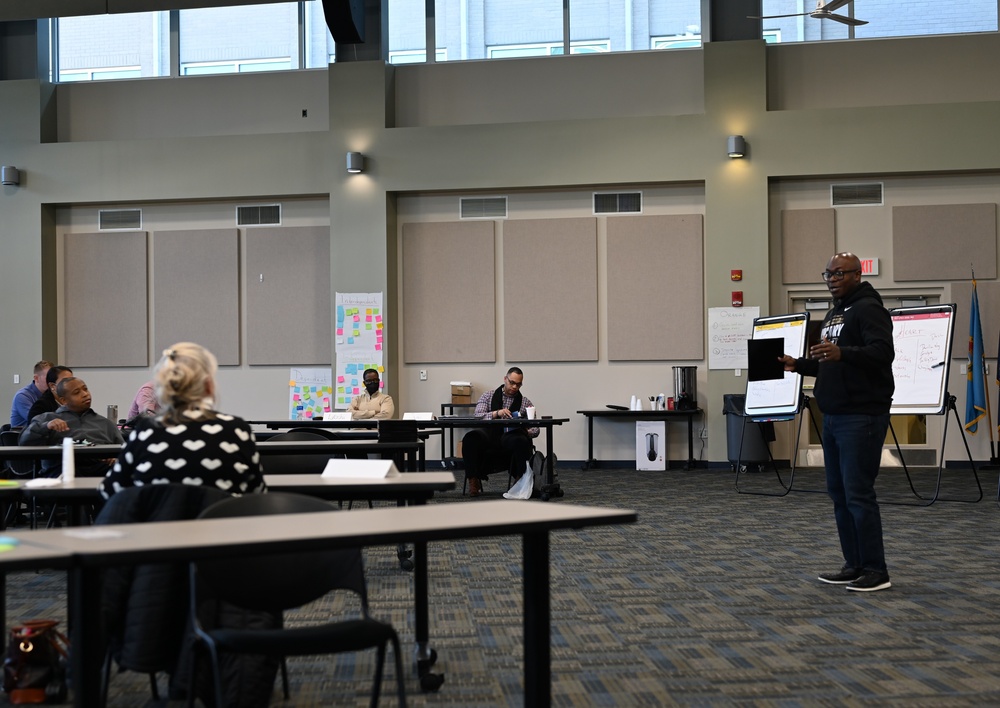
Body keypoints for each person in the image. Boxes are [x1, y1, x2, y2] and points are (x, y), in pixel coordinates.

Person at [779, 252, 895, 593]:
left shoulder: (869, 309)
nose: (831, 279)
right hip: (833, 416)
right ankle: (854, 564)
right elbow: (832, 364)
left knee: (858, 494)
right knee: (840, 494)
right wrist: (797, 364)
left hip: (861, 416)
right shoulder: (835, 313)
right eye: (827, 273)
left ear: (857, 275)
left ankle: (876, 570)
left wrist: (843, 353)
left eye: (839, 273)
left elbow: (882, 353)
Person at [100, 342, 265, 501]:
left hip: (157, 527)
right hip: (221, 526)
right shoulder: (236, 431)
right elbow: (257, 492)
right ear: (209, 386)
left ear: (163, 389)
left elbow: (109, 491)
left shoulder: (145, 432)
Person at [19, 376, 124, 477]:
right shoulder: (47, 419)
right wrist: (46, 426)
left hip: (99, 468)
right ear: (63, 400)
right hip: (61, 469)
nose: (85, 394)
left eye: (85, 389)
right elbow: (24, 442)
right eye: (77, 393)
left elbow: (124, 451)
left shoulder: (105, 423)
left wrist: (115, 458)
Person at [462, 367, 539, 497]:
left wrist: (527, 431)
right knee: (470, 438)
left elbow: (536, 429)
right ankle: (473, 479)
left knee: (521, 440)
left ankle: (521, 480)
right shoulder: (488, 395)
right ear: (505, 379)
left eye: (518, 384)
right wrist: (496, 413)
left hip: (511, 436)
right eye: (512, 382)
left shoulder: (525, 402)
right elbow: (477, 416)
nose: (514, 387)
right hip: (489, 434)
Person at [9, 360, 54, 428]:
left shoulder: (51, 394)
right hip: (23, 435)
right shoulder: (22, 396)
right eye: (48, 378)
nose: (51, 381)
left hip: (43, 433)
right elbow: (36, 420)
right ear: (36, 378)